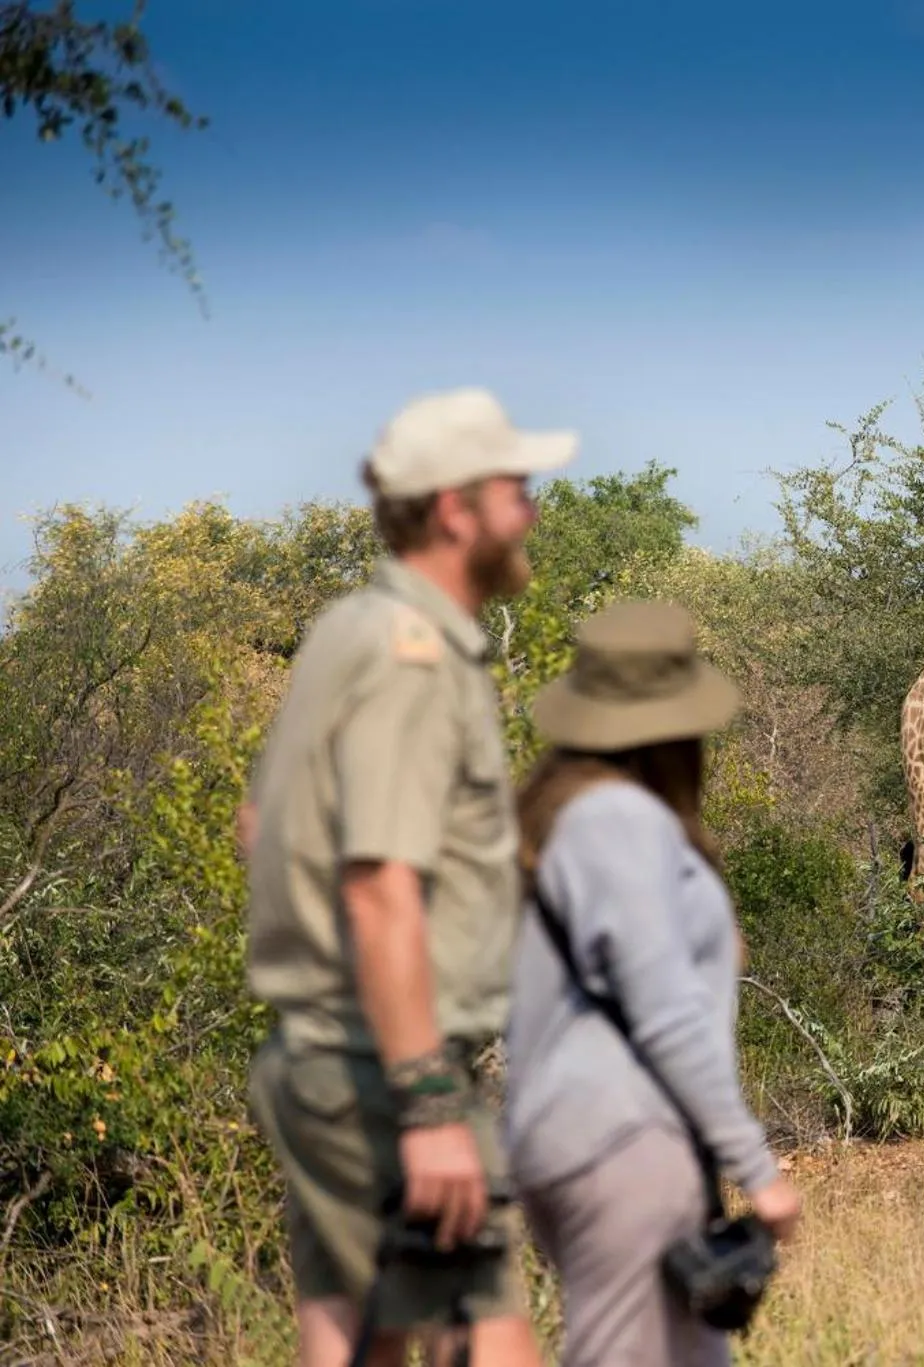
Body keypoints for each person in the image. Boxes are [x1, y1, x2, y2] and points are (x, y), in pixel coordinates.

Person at [240, 387, 577, 1367]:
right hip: (385, 1074)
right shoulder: (412, 655)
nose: (534, 511)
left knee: (353, 1338)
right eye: (517, 488)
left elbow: (259, 825)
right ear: (453, 510)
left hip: (329, 1058)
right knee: (492, 1330)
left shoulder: (349, 629)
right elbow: (379, 880)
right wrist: (429, 1103)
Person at [502, 598, 804, 1367]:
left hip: (578, 1137)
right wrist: (756, 1166)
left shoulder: (561, 819)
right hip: (623, 1140)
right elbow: (665, 1013)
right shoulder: (617, 819)